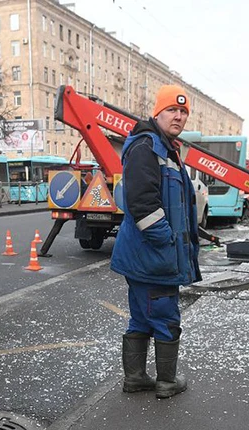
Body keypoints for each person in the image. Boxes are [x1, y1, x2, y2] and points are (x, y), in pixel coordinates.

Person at [110, 84, 201, 399]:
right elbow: (142, 202)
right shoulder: (147, 147)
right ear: (157, 113)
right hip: (153, 256)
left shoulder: (164, 148)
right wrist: (166, 241)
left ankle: (135, 378)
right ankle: (166, 382)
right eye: (171, 110)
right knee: (165, 317)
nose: (178, 116)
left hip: (146, 256)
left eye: (183, 112)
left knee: (141, 316)